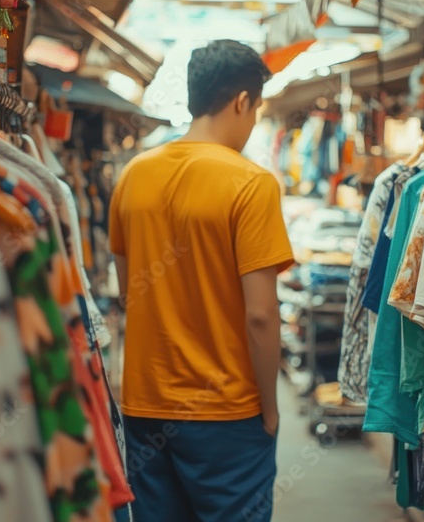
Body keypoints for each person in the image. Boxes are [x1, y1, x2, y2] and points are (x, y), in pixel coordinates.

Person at [109, 39, 295, 522]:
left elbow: (129, 294)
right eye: (256, 109)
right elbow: (260, 315)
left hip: (145, 405)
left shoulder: (133, 175)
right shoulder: (251, 184)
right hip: (226, 412)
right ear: (242, 101)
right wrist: (270, 408)